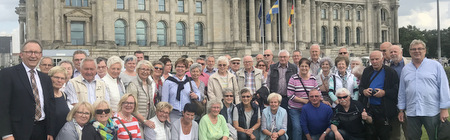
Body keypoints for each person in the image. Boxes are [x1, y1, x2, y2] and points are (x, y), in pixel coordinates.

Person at [0, 40, 55, 140]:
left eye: (36, 52)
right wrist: (6, 134)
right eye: (29, 52)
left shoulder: (45, 78)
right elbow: (2, 107)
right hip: (17, 132)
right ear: (21, 54)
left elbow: (50, 106)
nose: (33, 56)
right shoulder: (7, 74)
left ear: (40, 55)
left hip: (42, 131)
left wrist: (50, 131)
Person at [398, 40, 450, 140]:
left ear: (425, 51)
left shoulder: (435, 66)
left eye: (419, 49)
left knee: (435, 137)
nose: (416, 51)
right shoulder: (406, 69)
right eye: (413, 49)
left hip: (431, 110)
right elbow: (402, 90)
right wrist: (401, 109)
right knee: (412, 138)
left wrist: (444, 109)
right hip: (412, 111)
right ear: (409, 52)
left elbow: (444, 88)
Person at [358, 51, 399, 140]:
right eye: (372, 59)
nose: (374, 61)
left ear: (382, 59)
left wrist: (384, 93)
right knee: (370, 135)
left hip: (384, 110)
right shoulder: (367, 71)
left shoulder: (390, 72)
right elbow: (361, 87)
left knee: (384, 135)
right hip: (370, 109)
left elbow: (396, 91)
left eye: (377, 59)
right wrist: (364, 91)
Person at [287, 58, 319, 140]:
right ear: (299, 66)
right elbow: (290, 95)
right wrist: (303, 100)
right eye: (302, 66)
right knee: (297, 128)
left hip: (309, 108)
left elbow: (318, 93)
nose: (304, 68)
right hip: (295, 109)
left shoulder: (313, 78)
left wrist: (323, 100)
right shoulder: (293, 78)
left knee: (309, 127)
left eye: (306, 66)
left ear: (309, 67)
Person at [389, 45, 410, 140]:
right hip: (393, 102)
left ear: (401, 52)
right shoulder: (388, 67)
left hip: (408, 102)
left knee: (409, 131)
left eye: (395, 51)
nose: (393, 54)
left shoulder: (409, 64)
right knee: (395, 133)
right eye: (391, 52)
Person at [48, 66, 71, 136]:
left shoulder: (64, 95)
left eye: (62, 78)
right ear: (50, 78)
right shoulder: (45, 95)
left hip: (63, 135)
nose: (59, 80)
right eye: (56, 77)